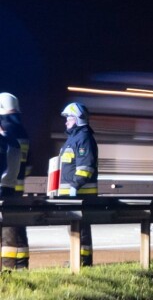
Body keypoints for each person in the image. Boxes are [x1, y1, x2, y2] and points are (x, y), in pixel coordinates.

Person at [58, 102, 98, 266]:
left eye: (69, 117)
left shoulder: (83, 139)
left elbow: (85, 167)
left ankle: (83, 261)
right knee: (75, 229)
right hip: (72, 194)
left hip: (82, 194)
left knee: (81, 230)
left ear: (78, 119)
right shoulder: (74, 138)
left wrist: (75, 186)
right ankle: (78, 258)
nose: (66, 121)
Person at [0, 92, 30, 269]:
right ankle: (21, 264)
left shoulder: (5, 132)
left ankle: (10, 268)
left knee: (8, 232)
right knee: (19, 229)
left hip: (4, 187)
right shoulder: (22, 131)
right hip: (17, 187)